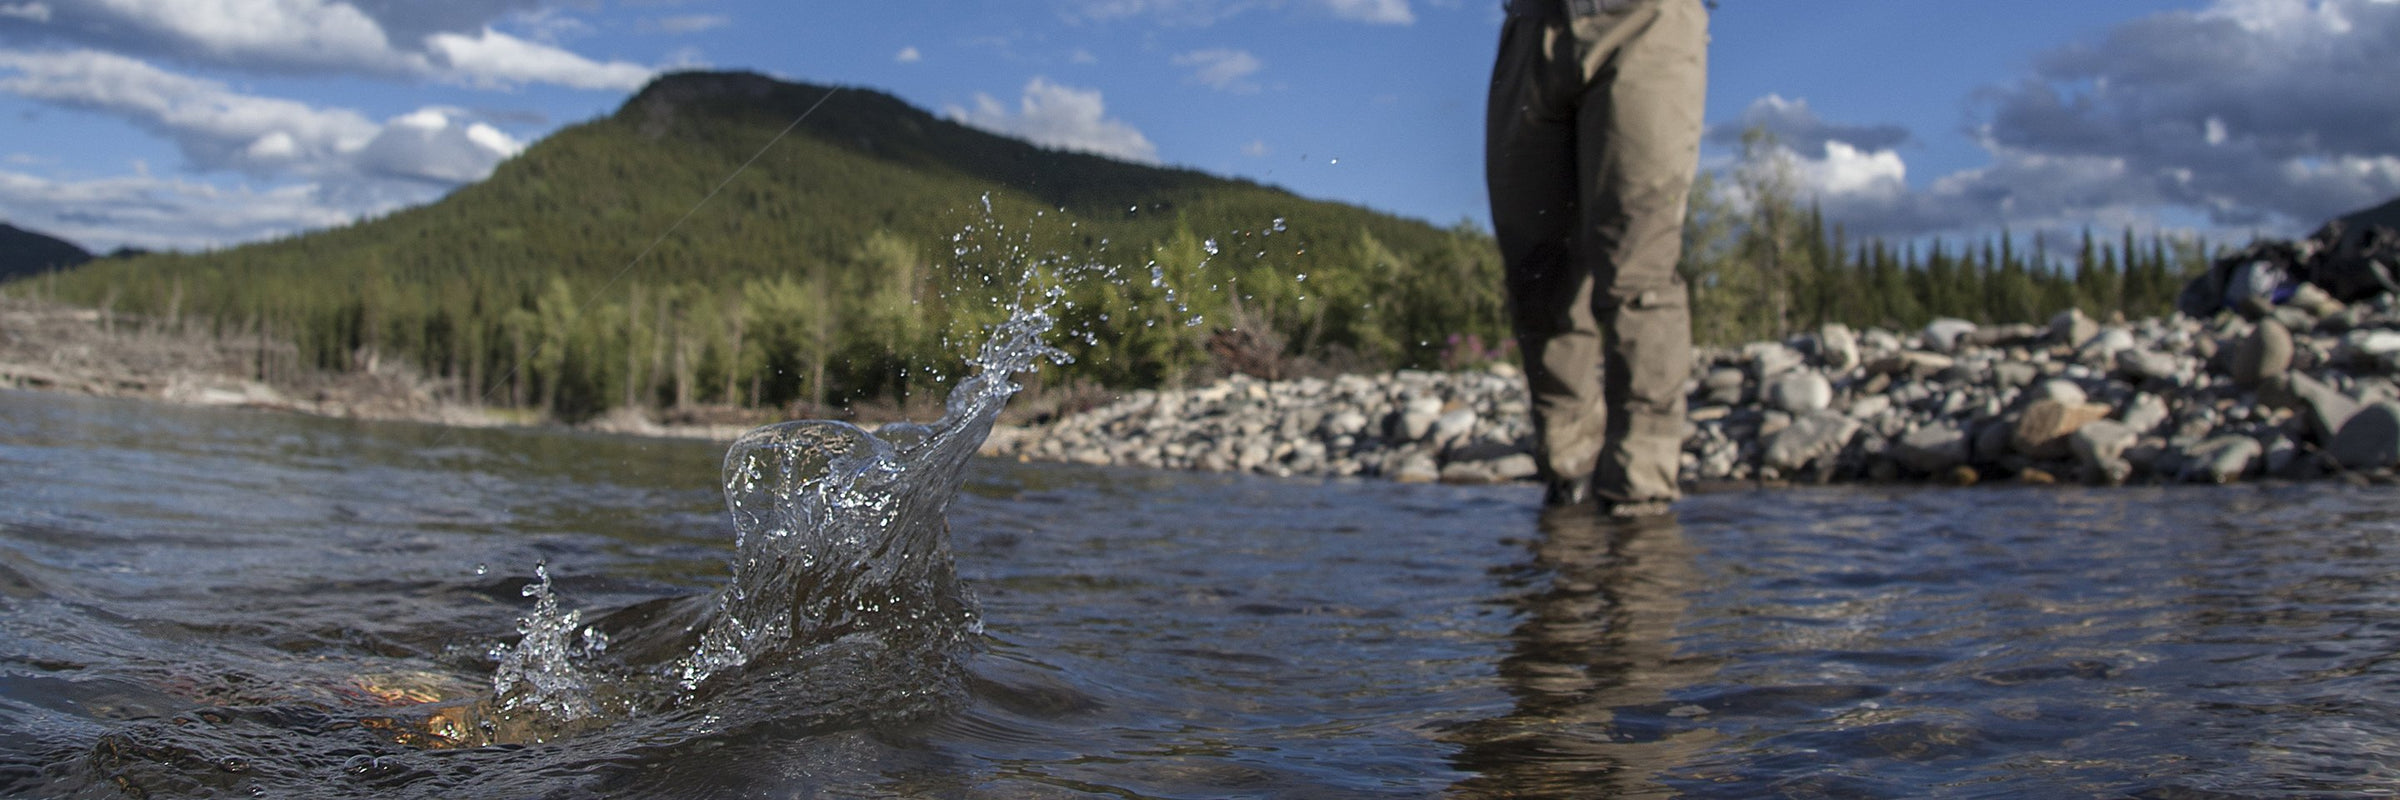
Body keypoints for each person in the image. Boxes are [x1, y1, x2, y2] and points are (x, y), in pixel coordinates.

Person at [1486, 0, 1707, 515]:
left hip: (1645, 19)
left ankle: (1641, 487)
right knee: (1536, 272)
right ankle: (1569, 473)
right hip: (1531, 25)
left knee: (1638, 266)